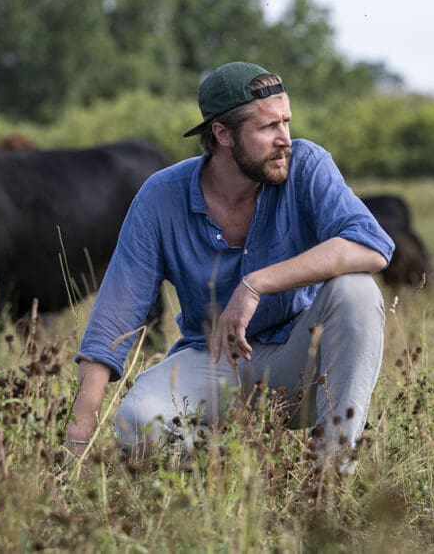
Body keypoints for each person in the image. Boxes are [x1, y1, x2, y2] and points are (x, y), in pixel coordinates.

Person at [66, 61, 394, 468]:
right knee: (137, 421)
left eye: (286, 122)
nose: (284, 139)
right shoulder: (161, 197)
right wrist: (79, 430)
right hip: (214, 361)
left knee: (356, 290)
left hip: (305, 363)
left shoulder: (306, 165)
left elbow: (373, 246)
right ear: (222, 134)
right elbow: (113, 321)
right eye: (267, 127)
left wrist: (256, 283)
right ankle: (220, 477)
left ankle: (329, 478)